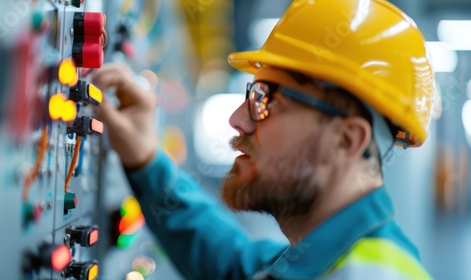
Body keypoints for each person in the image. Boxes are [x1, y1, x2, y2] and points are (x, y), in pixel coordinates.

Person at [92, 0, 434, 279]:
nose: (236, 120)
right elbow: (228, 258)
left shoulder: (365, 274)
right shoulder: (322, 260)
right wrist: (145, 157)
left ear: (346, 141)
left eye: (265, 98)